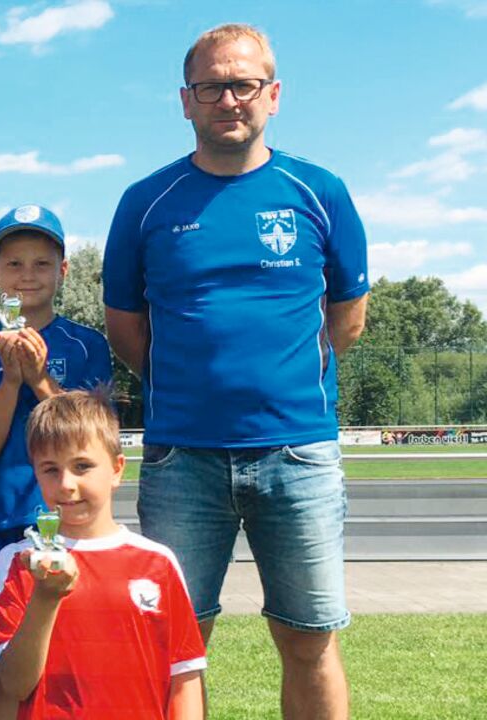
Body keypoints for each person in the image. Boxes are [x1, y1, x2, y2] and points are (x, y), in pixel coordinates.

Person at [101, 23, 368, 719]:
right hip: (181, 457)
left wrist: (277, 381)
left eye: (243, 84)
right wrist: (195, 388)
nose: (229, 99)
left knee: (308, 638)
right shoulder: (145, 202)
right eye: (211, 85)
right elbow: (126, 329)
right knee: (172, 643)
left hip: (298, 451)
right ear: (184, 101)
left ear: (272, 95)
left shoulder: (320, 191)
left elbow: (348, 317)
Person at [0, 204, 112, 717]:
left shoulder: (87, 345)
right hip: (6, 526)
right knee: (3, 672)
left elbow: (91, 438)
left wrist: (42, 380)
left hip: (78, 523)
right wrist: (11, 381)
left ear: (63, 271)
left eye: (42, 263)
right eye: (15, 264)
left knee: (76, 660)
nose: (28, 275)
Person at [0, 391, 204, 719]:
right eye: (50, 469)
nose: (66, 484)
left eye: (82, 466)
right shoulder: (19, 562)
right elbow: (16, 684)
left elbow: (184, 679)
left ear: (118, 469)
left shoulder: (158, 562)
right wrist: (45, 598)